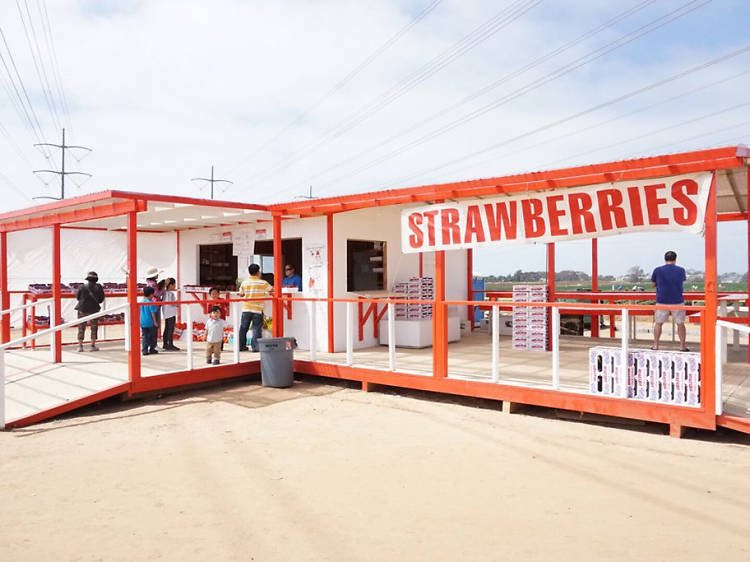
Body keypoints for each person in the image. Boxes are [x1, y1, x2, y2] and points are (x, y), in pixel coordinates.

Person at [651, 250, 688, 351]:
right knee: (680, 323)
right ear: (675, 259)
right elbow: (682, 281)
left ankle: (656, 345)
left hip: (662, 300)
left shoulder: (657, 270)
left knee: (658, 323)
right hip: (678, 300)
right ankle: (682, 346)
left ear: (665, 259)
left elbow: (653, 284)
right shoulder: (681, 270)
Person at [238, 263, 272, 352]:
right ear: (258, 272)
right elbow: (272, 290)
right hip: (257, 309)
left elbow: (241, 294)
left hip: (246, 308)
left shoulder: (244, 282)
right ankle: (255, 347)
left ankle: (241, 346)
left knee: (243, 328)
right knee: (256, 328)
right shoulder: (263, 283)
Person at [74, 271, 105, 352]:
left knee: (81, 328)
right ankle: (92, 345)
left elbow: (77, 297)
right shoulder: (99, 287)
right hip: (94, 309)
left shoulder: (82, 287)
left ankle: (80, 346)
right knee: (94, 327)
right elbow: (101, 299)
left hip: (82, 309)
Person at [140, 286, 159, 356]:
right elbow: (153, 313)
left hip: (142, 322)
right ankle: (152, 349)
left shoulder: (141, 302)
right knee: (153, 336)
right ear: (151, 294)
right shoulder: (151, 302)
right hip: (150, 322)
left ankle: (144, 350)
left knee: (144, 336)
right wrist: (155, 322)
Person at [161, 278, 180, 351]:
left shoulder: (165, 292)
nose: (175, 286)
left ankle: (165, 344)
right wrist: (177, 303)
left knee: (167, 328)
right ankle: (170, 344)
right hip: (171, 313)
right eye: (174, 284)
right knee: (170, 329)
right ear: (171, 285)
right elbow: (171, 303)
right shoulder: (170, 293)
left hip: (166, 313)